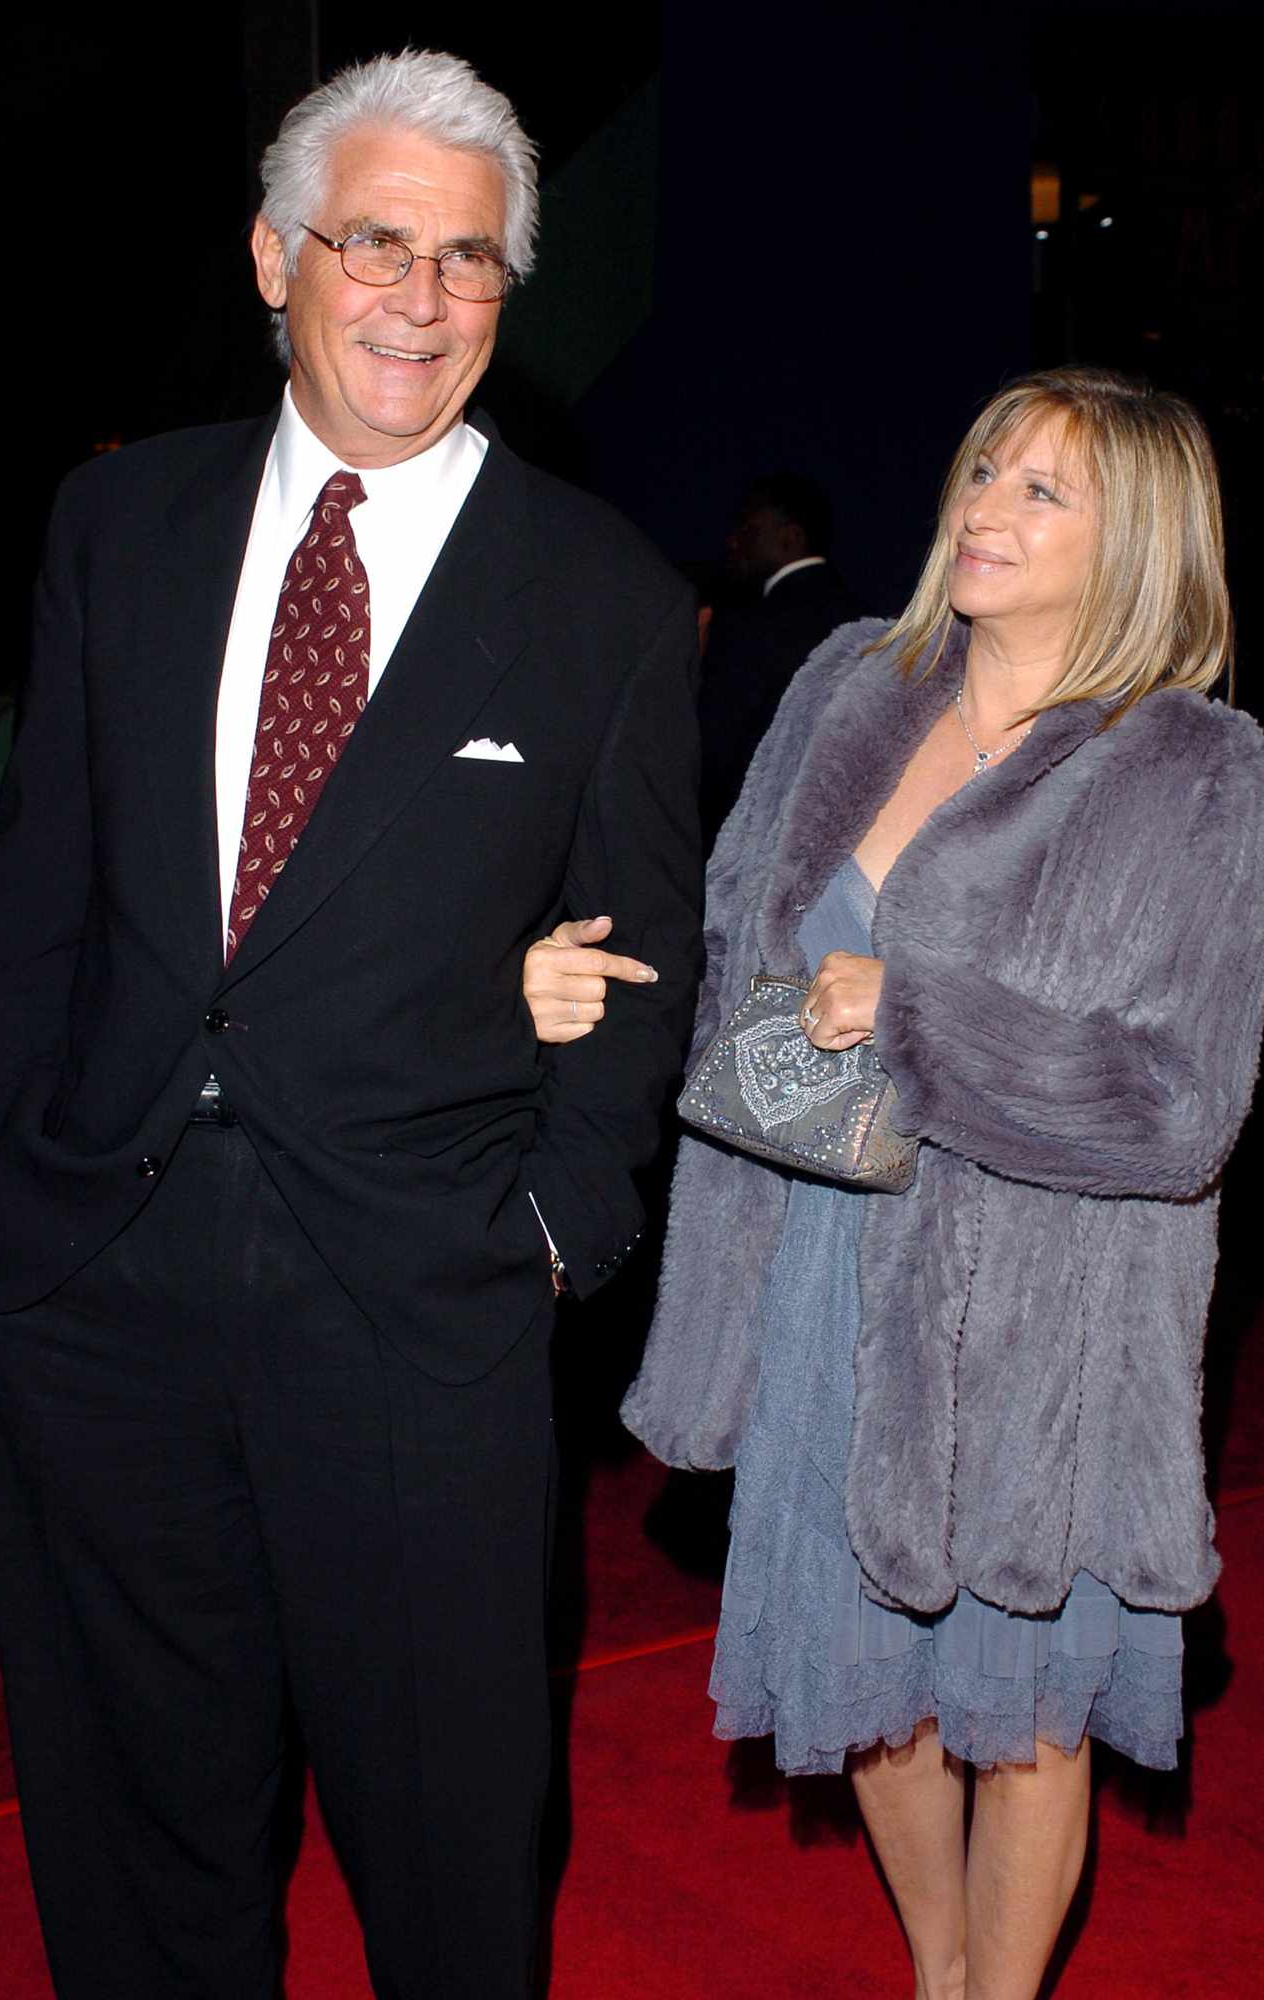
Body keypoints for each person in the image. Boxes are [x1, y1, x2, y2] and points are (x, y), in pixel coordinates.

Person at [0, 49, 702, 2000]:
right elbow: (38, 895)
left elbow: (625, 956)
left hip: (416, 1316)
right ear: (278, 254)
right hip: (93, 1295)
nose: (419, 296)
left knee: (448, 1854)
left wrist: (557, 1228)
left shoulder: (601, 597)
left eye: (467, 260)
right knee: (136, 1834)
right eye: (376, 240)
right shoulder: (115, 530)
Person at [530, 367, 1264, 1999]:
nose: (985, 506)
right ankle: (936, 1969)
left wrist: (922, 1020)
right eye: (984, 469)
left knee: (1021, 1710)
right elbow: (733, 959)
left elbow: (1182, 1105)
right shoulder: (851, 689)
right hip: (814, 1280)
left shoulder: (1194, 770)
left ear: (1136, 537)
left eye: (1042, 492)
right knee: (867, 1688)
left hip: (1042, 1316)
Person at [698, 473, 861, 845]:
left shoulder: (747, 624)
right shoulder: (866, 621)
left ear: (790, 537)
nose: (734, 541)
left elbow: (714, 753)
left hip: (745, 840)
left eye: (749, 529)